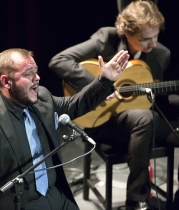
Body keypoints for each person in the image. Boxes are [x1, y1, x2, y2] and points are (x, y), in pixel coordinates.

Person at [0, 48, 129, 209]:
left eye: (35, 71)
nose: (37, 78)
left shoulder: (42, 97)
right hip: (18, 204)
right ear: (6, 82)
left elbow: (73, 105)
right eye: (28, 74)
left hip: (54, 195)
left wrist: (104, 80)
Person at [49, 0, 179, 209]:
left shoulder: (161, 54)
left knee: (149, 118)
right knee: (145, 118)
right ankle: (137, 199)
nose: (152, 43)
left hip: (139, 123)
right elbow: (59, 60)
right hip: (102, 120)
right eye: (145, 39)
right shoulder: (106, 38)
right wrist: (102, 85)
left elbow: (153, 97)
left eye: (156, 36)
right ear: (127, 33)